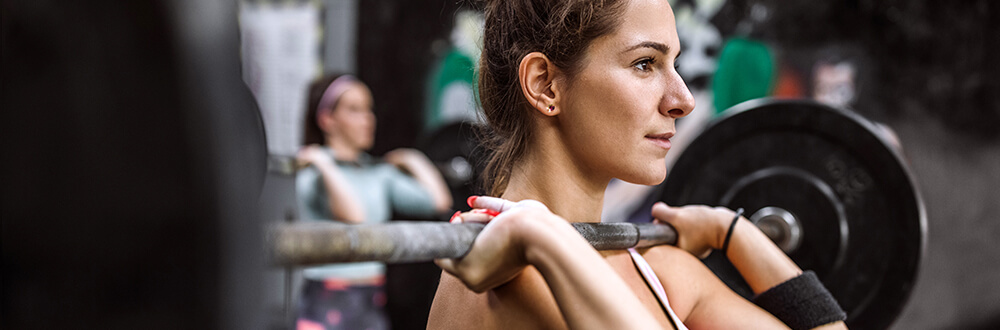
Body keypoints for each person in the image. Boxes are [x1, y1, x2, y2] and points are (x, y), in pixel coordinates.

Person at [427, 0, 848, 329]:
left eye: (674, 65)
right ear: (545, 84)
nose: (683, 100)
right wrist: (541, 240)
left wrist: (731, 231)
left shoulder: (655, 271)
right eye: (645, 64)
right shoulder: (511, 277)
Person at [295, 74, 452, 330]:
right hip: (325, 304)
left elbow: (439, 201)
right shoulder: (314, 172)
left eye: (369, 109)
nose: (368, 119)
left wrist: (413, 160)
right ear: (327, 119)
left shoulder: (378, 173)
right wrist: (324, 162)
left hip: (371, 302)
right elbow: (355, 217)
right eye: (354, 110)